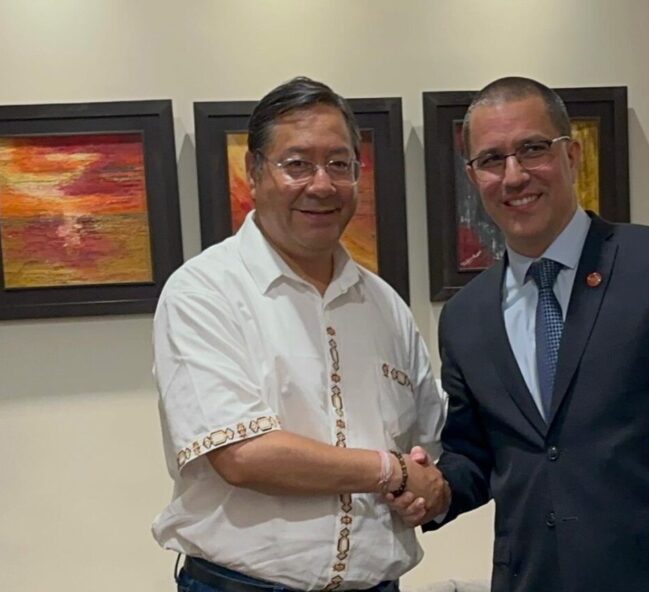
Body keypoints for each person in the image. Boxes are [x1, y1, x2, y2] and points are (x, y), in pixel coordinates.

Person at [410, 77, 649, 592]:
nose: (513, 176)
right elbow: (477, 455)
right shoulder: (466, 317)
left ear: (572, 155)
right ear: (474, 175)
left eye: (532, 149)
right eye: (491, 160)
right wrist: (431, 489)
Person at [151, 76, 449, 592]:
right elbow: (243, 456)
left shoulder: (384, 306)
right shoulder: (204, 291)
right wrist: (391, 472)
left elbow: (429, 444)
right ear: (253, 171)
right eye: (297, 164)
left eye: (340, 164)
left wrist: (433, 491)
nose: (321, 184)